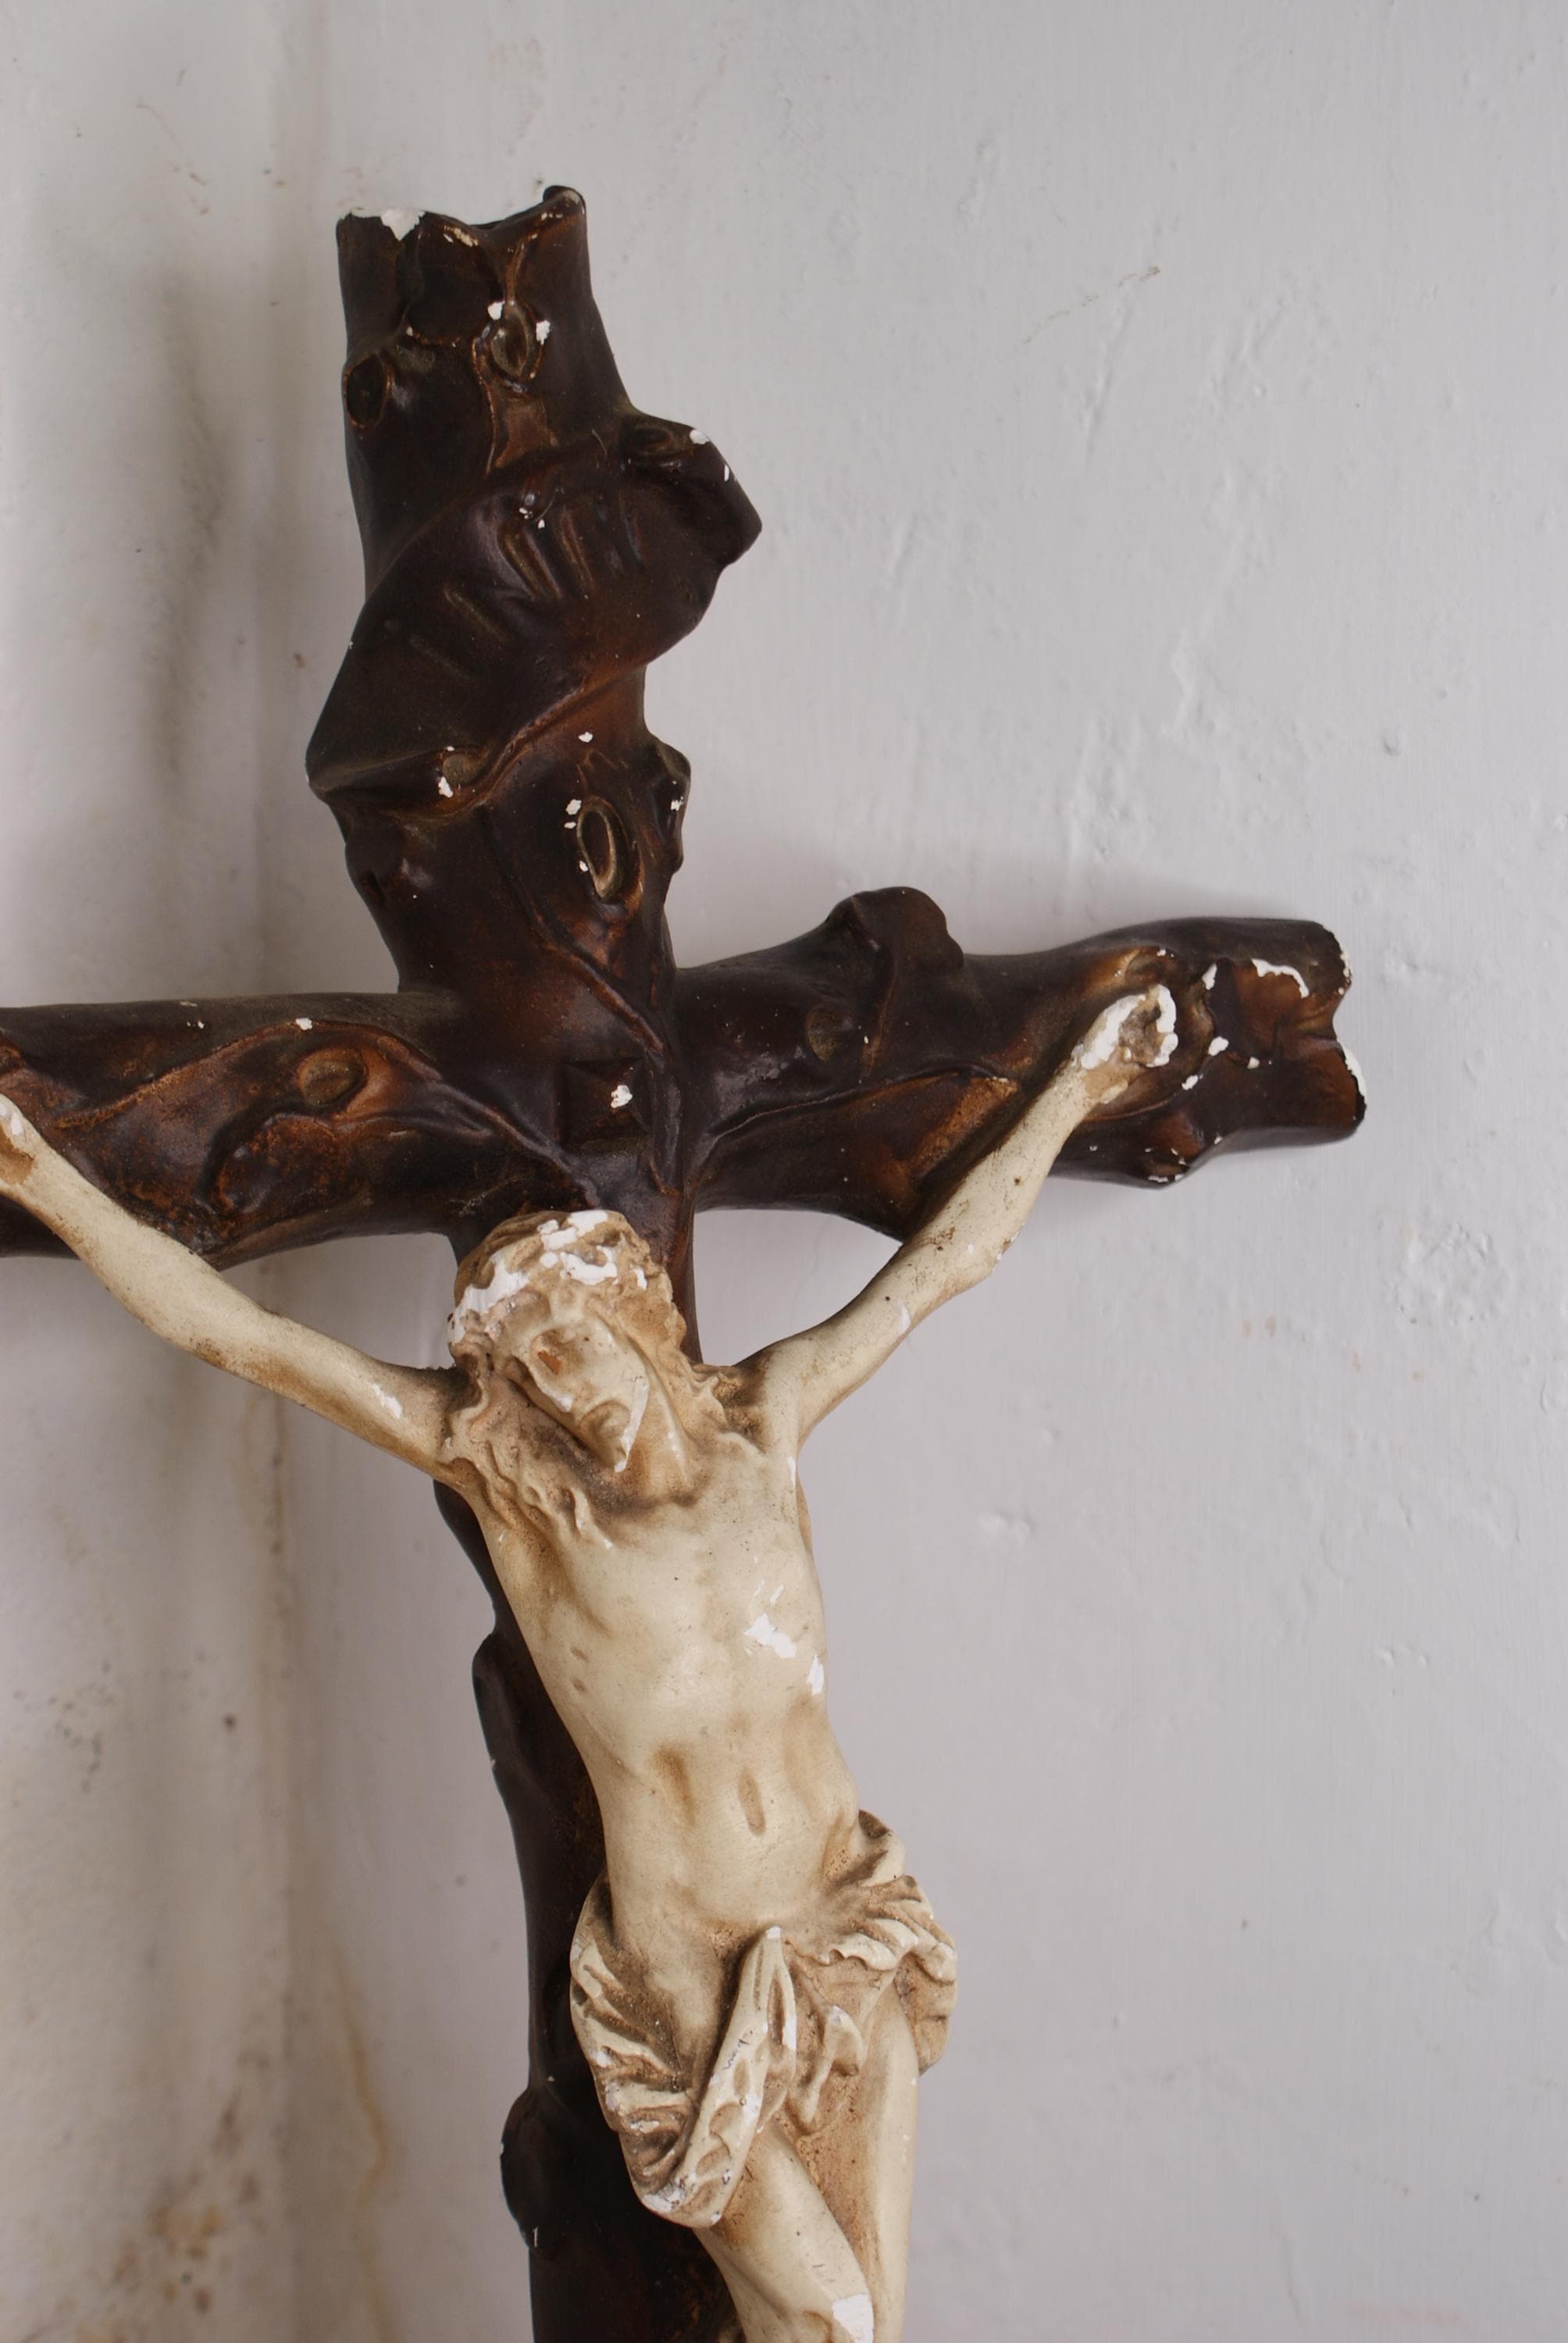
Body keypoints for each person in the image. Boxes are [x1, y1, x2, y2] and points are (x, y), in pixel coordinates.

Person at [0, 983, 1173, 2343]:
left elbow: (944, 1264)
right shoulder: (515, 1495)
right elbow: (239, 1337)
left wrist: (1080, 1087)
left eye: (572, 1336)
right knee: (830, 2322)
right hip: (691, 1991)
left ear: (636, 1317)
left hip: (852, 1921)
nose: (561, 1381)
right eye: (526, 1366)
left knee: (880, 2325)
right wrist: (39, 1178)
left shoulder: (768, 1418)